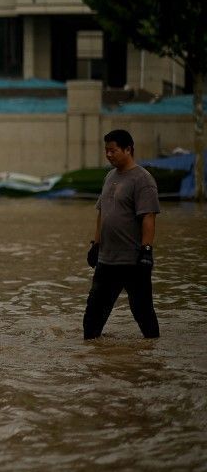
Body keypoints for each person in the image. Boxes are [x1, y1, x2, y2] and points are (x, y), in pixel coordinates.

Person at [82, 129, 160, 340]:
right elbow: (102, 213)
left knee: (144, 316)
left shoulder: (142, 179)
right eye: (106, 150)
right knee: (91, 321)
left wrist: (146, 251)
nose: (108, 154)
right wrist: (96, 245)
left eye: (113, 150)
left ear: (128, 149)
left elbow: (148, 217)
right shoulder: (110, 177)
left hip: (133, 262)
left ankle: (152, 359)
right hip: (106, 261)